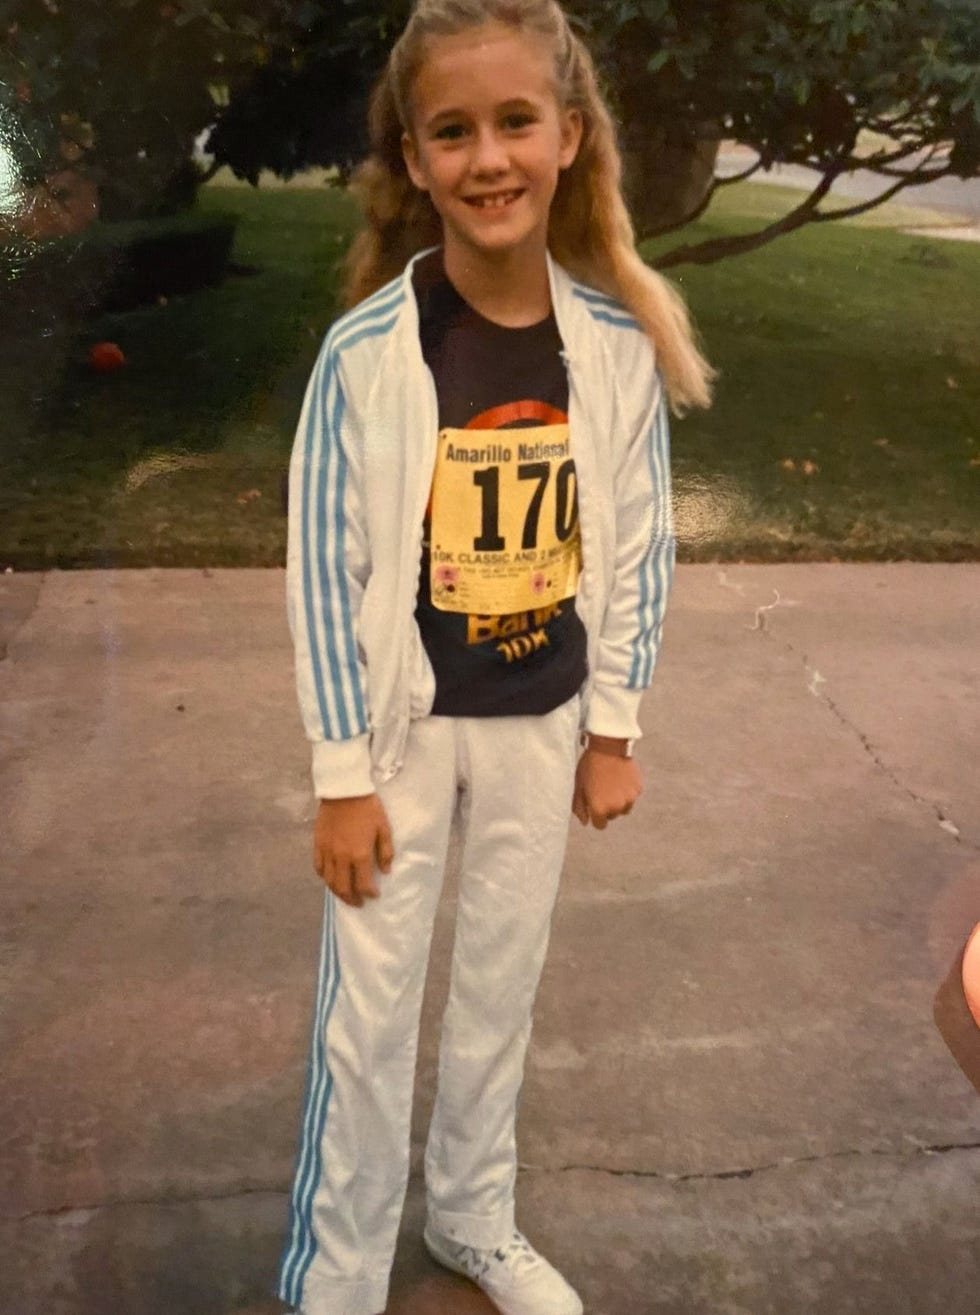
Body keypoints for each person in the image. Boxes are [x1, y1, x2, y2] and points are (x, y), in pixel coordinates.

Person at [276, 3, 714, 1313]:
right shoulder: (365, 357)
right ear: (414, 159)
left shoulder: (616, 353)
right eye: (451, 131)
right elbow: (323, 575)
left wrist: (617, 728)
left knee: (496, 992)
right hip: (404, 737)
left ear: (569, 137)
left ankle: (473, 1215)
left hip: (540, 719)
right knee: (369, 1015)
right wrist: (342, 775)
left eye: (516, 121)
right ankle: (337, 1276)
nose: (488, 158)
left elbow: (637, 547)